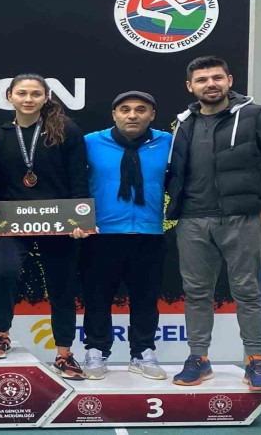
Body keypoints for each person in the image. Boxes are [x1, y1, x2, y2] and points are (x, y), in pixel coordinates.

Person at [166, 56, 261, 389]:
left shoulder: (256, 116)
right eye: (202, 80)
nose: (210, 84)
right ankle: (199, 359)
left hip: (242, 221)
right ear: (190, 86)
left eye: (217, 78)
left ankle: (255, 361)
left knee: (248, 292)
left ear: (229, 81)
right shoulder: (184, 123)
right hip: (193, 221)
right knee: (196, 293)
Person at [0, 74, 89, 380]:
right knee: (3, 271)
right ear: (9, 96)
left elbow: (78, 176)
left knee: (62, 284)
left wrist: (81, 219)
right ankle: (1, 335)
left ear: (46, 97)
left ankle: (64, 354)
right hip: (13, 221)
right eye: (22, 93)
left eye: (35, 93)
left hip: (59, 221)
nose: (28, 99)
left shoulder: (66, 130)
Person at [81, 91, 171, 380]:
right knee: (97, 297)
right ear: (114, 114)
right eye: (125, 109)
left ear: (152, 115)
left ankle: (142, 352)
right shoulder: (90, 142)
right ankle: (96, 351)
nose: (133, 115)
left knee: (146, 298)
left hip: (149, 234)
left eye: (141, 109)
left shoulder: (168, 143)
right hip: (101, 234)